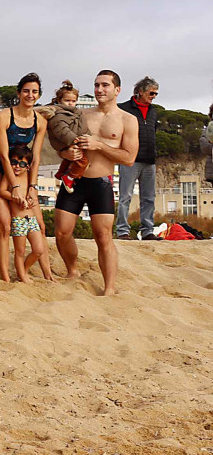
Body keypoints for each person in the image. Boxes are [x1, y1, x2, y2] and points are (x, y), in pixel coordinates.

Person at [55, 71, 138, 295]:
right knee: (62, 232)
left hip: (101, 182)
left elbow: (129, 158)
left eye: (105, 85)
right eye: (96, 85)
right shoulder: (81, 114)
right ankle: (72, 271)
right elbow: (59, 143)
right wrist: (65, 153)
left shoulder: (127, 120)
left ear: (117, 90)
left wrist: (99, 145)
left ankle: (109, 287)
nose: (99, 89)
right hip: (75, 179)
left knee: (103, 236)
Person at [0, 73, 48, 282]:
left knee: (40, 225)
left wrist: (32, 186)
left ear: (39, 94)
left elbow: (36, 157)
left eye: (34, 92)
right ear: (18, 93)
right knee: (5, 225)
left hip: (21, 170)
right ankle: (5, 276)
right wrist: (14, 187)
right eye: (26, 91)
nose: (30, 95)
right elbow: (4, 155)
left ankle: (47, 274)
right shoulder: (4, 116)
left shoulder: (40, 121)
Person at [0, 144, 54, 283]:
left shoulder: (30, 178)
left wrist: (31, 199)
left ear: (28, 166)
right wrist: (15, 198)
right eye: (14, 162)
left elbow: (33, 193)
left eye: (22, 164)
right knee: (20, 251)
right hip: (19, 220)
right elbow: (2, 191)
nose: (17, 166)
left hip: (32, 219)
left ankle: (23, 269)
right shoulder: (9, 176)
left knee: (38, 249)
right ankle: (22, 276)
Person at [117, 77, 160, 240]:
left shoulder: (154, 111)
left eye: (156, 93)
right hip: (129, 160)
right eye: (151, 93)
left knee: (149, 198)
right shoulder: (123, 109)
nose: (154, 96)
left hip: (149, 160)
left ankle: (147, 231)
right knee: (125, 197)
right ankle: (122, 231)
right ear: (140, 91)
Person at [40, 81, 89, 193]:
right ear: (59, 100)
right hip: (66, 141)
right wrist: (74, 139)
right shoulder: (58, 114)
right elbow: (62, 130)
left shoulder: (76, 113)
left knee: (68, 160)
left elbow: (83, 127)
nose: (70, 103)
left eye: (73, 101)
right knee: (83, 161)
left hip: (72, 140)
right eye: (67, 100)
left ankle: (60, 173)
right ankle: (70, 177)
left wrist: (88, 137)